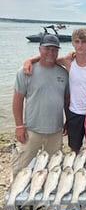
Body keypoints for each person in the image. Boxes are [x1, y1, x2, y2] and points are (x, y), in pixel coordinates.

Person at [12, 34, 70, 177]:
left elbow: (67, 100)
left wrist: (68, 121)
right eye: (47, 48)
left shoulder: (63, 73)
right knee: (20, 167)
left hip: (56, 131)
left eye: (54, 49)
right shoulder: (25, 71)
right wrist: (19, 126)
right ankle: (14, 196)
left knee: (53, 169)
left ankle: (47, 196)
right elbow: (17, 100)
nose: (51, 52)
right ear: (39, 49)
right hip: (31, 130)